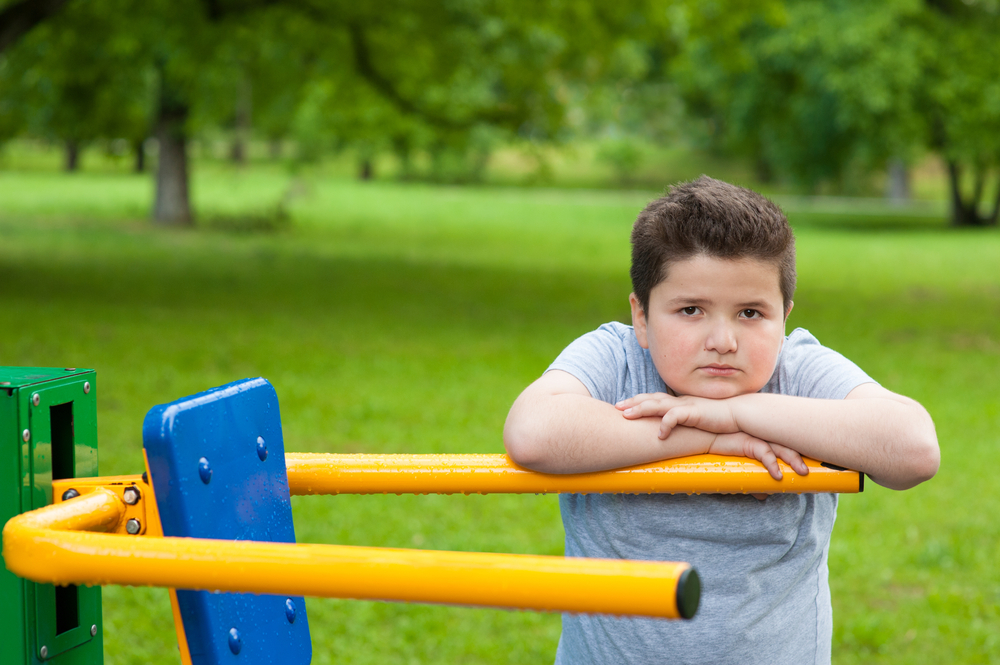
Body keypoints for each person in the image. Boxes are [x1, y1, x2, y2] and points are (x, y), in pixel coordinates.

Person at [503, 176, 939, 665]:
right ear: (642, 317)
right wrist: (709, 438)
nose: (723, 340)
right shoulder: (616, 357)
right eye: (691, 310)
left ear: (784, 318)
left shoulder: (796, 370)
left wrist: (737, 411)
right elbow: (534, 433)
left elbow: (914, 450)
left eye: (751, 313)